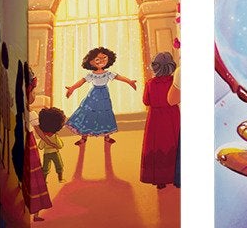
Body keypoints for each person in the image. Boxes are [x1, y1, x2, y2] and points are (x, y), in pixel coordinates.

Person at [62, 47, 135, 181]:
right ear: (91, 62)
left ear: (109, 59)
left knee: (105, 115)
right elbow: (81, 82)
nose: (101, 61)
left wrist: (129, 81)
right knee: (88, 115)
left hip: (104, 97)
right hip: (93, 97)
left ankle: (107, 136)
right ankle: (83, 137)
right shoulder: (91, 75)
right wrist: (72, 88)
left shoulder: (108, 73)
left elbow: (119, 77)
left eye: (104, 58)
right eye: (98, 59)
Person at [139, 52, 179, 188]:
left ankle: (160, 180)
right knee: (174, 143)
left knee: (157, 145)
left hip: (155, 118)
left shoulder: (150, 83)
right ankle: (177, 177)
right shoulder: (174, 81)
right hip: (172, 115)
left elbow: (146, 101)